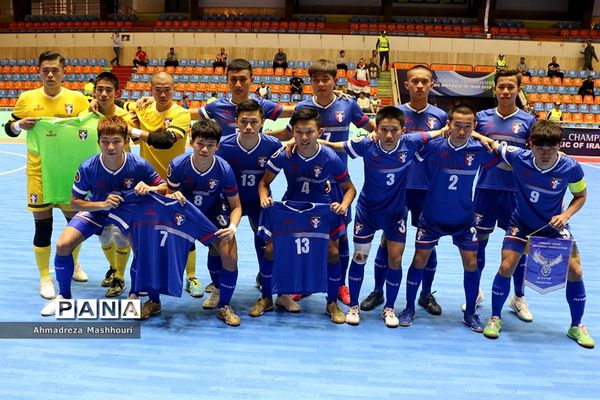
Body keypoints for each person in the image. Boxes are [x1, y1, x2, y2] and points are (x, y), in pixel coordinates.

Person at [321, 106, 444, 327]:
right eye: (383, 129)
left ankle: (389, 308)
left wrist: (453, 131)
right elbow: (338, 146)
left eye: (394, 130)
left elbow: (437, 133)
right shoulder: (367, 144)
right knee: (360, 258)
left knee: (395, 260)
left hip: (395, 214)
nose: (388, 135)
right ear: (375, 129)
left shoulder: (411, 142)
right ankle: (354, 306)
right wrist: (316, 142)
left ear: (402, 130)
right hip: (367, 213)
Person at [483, 120, 595, 349]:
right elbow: (493, 144)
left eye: (551, 148)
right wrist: (472, 133)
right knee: (506, 266)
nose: (545, 154)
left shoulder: (571, 167)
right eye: (540, 148)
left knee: (576, 270)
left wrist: (566, 215)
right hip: (521, 224)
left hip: (554, 227)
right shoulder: (519, 157)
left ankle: (577, 325)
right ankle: (495, 317)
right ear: (531, 145)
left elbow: (580, 196)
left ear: (559, 146)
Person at [40, 115, 164, 316]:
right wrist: (102, 204)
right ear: (98, 142)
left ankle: (133, 295)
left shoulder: (139, 165)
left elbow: (164, 187)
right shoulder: (88, 167)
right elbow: (75, 202)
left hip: (127, 214)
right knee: (63, 245)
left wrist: (150, 187)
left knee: (142, 250)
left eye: (116, 141)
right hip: (97, 212)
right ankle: (63, 297)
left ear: (126, 141)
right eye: (105, 141)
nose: (111, 147)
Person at [397, 104, 501, 332]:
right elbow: (406, 141)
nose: (462, 131)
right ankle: (409, 308)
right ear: (448, 125)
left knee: (471, 263)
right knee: (418, 260)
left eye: (467, 127)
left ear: (474, 127)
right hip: (431, 217)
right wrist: (437, 133)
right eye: (457, 125)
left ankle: (470, 313)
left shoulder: (480, 150)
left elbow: (508, 156)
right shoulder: (433, 146)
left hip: (463, 220)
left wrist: (482, 138)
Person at [258, 107, 357, 323]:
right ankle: (266, 297)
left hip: (320, 210)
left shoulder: (329, 156)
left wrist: (343, 205)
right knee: (271, 249)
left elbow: (350, 189)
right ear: (292, 132)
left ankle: (331, 303)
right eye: (299, 132)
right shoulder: (284, 154)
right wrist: (264, 198)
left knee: (332, 251)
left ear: (319, 132)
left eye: (309, 132)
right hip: (291, 208)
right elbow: (264, 183)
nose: (304, 137)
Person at [362, 65, 447, 315]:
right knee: (387, 239)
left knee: (428, 243)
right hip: (396, 189)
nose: (419, 86)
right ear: (406, 84)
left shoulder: (441, 116)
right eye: (414, 81)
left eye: (424, 81)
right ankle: (378, 290)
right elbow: (376, 139)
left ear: (432, 84)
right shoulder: (394, 115)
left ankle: (426, 294)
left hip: (427, 189)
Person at [4, 51, 89, 299]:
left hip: (68, 172)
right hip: (39, 171)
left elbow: (87, 130)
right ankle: (45, 277)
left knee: (75, 225)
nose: (50, 74)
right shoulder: (26, 98)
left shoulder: (78, 100)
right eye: (45, 70)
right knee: (43, 226)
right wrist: (19, 125)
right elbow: (9, 128)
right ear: (38, 72)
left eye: (55, 70)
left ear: (64, 72)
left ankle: (74, 263)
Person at [291, 59, 375, 305]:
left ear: (334, 81)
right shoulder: (303, 107)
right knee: (306, 234)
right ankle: (305, 283)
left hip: (338, 182)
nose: (321, 84)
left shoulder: (347, 105)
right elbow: (290, 134)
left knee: (340, 236)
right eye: (316, 80)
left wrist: (362, 144)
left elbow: (372, 129)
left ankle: (340, 285)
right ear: (311, 82)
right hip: (307, 182)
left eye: (325, 79)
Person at [216, 99, 299, 316]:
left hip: (260, 201)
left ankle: (276, 292)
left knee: (268, 244)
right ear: (236, 121)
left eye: (254, 122)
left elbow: (294, 163)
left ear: (262, 122)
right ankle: (217, 289)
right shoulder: (224, 146)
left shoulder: (272, 145)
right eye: (244, 121)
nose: (248, 127)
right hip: (230, 202)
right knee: (219, 242)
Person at [166, 119, 243, 326]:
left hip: (213, 212)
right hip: (185, 212)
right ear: (191, 142)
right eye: (200, 143)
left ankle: (223, 304)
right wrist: (172, 196)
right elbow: (168, 195)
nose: (204, 149)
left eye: (210, 145)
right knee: (157, 248)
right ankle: (153, 300)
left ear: (218, 146)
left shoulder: (224, 169)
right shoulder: (178, 165)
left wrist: (232, 227)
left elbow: (236, 206)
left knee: (229, 254)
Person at [474, 68, 536, 319]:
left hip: (517, 195)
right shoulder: (481, 118)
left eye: (511, 87)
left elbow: (537, 156)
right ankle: (474, 292)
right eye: (502, 86)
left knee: (519, 248)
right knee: (478, 244)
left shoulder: (528, 122)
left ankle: (518, 297)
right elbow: (462, 132)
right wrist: (481, 137)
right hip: (486, 191)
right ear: (495, 89)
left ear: (518, 90)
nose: (506, 91)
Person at [91, 72, 136, 297]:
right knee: (103, 233)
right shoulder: (86, 114)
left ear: (116, 93)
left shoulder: (126, 117)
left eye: (108, 90)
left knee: (120, 232)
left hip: (123, 180)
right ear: (94, 92)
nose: (103, 94)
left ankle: (119, 276)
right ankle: (113, 267)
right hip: (97, 179)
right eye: (100, 89)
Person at [194, 59, 294, 139]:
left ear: (251, 80)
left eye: (243, 79)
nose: (238, 85)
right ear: (227, 80)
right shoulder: (216, 106)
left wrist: (263, 137)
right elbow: (189, 114)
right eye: (233, 79)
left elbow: (295, 111)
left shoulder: (261, 105)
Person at [128, 71, 190, 179]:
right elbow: (118, 104)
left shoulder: (181, 113)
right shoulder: (143, 107)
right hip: (146, 178)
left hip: (173, 179)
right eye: (158, 90)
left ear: (174, 89)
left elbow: (166, 141)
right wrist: (96, 102)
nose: (163, 95)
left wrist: (132, 131)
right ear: (150, 89)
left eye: (167, 90)